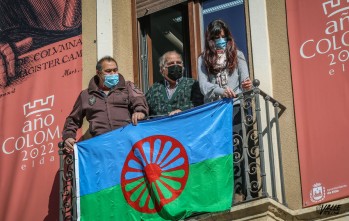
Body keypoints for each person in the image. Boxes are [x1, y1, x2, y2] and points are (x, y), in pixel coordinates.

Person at [197, 19, 253, 202]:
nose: (221, 40)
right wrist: (221, 90)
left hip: (235, 108)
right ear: (210, 39)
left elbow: (245, 81)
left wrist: (247, 84)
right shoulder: (203, 58)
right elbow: (204, 87)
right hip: (213, 112)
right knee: (217, 153)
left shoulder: (238, 55)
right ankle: (220, 194)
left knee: (238, 150)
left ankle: (239, 192)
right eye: (216, 37)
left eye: (223, 36)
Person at [62, 56, 149, 150]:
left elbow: (139, 99)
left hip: (127, 143)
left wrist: (140, 111)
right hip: (101, 146)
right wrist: (69, 136)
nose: (113, 74)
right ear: (98, 73)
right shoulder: (86, 95)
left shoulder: (127, 87)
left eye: (115, 70)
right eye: (108, 71)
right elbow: (73, 119)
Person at [146, 50, 203, 116]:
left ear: (183, 67)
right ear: (162, 70)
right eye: (171, 63)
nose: (176, 66)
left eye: (178, 63)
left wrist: (182, 110)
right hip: (161, 125)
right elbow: (144, 107)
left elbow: (199, 104)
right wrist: (140, 112)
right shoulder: (154, 89)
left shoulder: (193, 84)